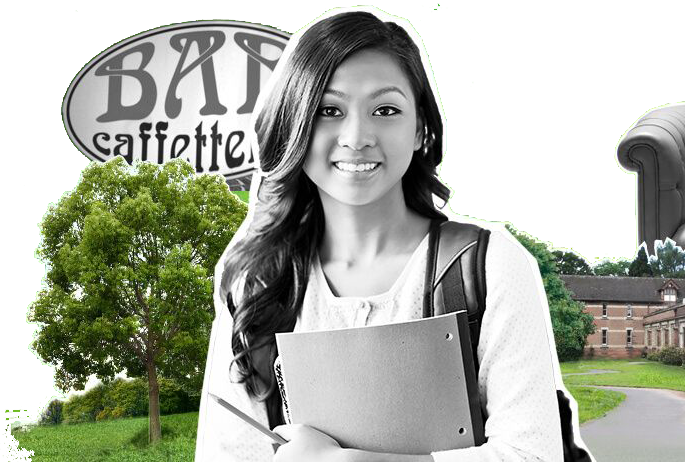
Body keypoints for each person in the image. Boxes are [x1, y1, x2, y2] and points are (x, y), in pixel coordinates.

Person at [194, 7, 589, 461]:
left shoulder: (490, 265)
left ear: (420, 127)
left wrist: (342, 460)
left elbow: (531, 455)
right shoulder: (257, 283)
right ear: (294, 124)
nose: (357, 136)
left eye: (385, 109)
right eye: (328, 110)